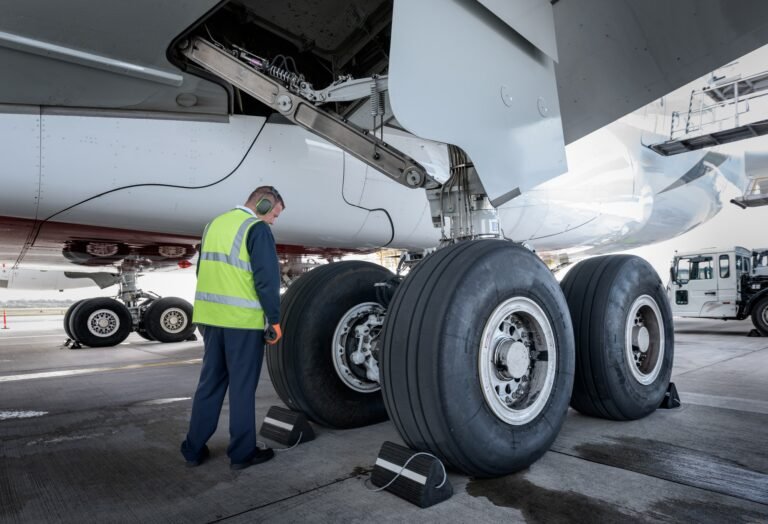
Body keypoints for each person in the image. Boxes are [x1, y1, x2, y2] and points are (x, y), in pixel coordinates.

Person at [181, 185, 285, 470]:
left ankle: (192, 449)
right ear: (264, 205)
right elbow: (267, 281)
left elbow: (203, 271)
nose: (273, 221)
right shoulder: (256, 229)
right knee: (241, 389)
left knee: (209, 385)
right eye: (274, 214)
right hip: (242, 323)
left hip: (210, 319)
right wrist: (274, 320)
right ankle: (241, 454)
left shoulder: (213, 224)